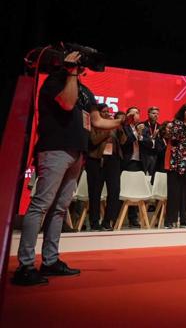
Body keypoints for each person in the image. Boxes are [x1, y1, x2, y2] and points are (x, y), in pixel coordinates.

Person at [13, 51, 124, 286]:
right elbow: (67, 103)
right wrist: (70, 72)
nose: (84, 66)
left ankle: (51, 261)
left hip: (76, 152)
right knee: (41, 205)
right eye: (79, 63)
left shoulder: (85, 90)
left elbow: (97, 121)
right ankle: (24, 265)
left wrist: (123, 122)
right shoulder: (55, 81)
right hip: (55, 149)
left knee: (61, 208)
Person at [87, 104, 127, 230]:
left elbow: (123, 141)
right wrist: (108, 130)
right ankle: (94, 222)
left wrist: (119, 128)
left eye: (108, 112)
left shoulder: (113, 124)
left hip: (113, 161)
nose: (107, 114)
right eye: (103, 112)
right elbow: (93, 140)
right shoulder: (92, 124)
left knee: (114, 191)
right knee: (95, 192)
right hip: (97, 160)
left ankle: (107, 221)